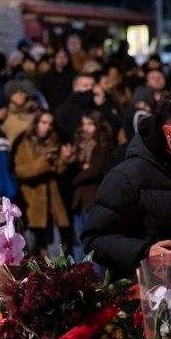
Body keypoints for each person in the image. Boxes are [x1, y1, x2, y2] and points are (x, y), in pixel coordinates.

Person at [82, 88, 171, 278]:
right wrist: (145, 253)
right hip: (144, 290)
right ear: (168, 132)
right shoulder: (127, 177)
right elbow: (94, 239)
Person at [13, 110, 72, 256]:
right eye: (44, 122)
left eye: (50, 124)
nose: (47, 127)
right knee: (27, 249)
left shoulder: (54, 142)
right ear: (36, 123)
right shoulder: (24, 143)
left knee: (56, 251)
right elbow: (21, 171)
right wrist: (44, 162)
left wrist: (64, 159)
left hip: (52, 204)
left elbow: (58, 172)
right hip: (31, 202)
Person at [69, 109, 114, 261]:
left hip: (93, 198)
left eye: (90, 124)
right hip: (78, 200)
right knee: (78, 242)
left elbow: (95, 170)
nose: (85, 128)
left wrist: (75, 178)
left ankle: (95, 275)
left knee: (93, 243)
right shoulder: (78, 144)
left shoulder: (104, 145)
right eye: (84, 124)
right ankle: (79, 273)